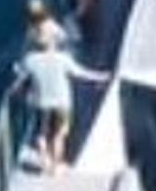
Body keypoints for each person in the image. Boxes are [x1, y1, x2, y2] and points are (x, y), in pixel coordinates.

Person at [8, 32, 98, 174]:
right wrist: (100, 77)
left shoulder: (30, 60)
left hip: (41, 103)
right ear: (54, 45)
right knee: (60, 134)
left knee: (41, 135)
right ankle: (56, 167)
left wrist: (12, 91)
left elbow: (20, 80)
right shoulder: (63, 59)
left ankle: (45, 164)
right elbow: (80, 73)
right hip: (63, 103)